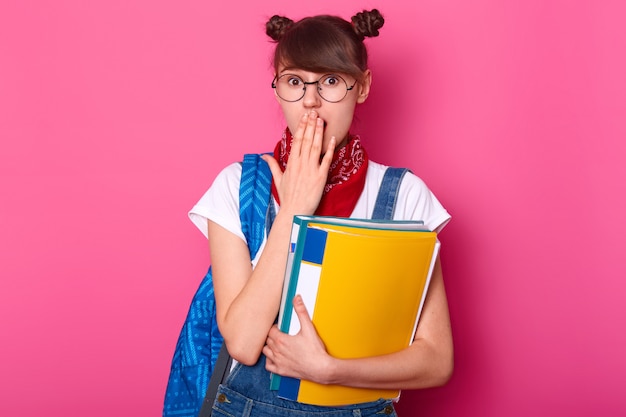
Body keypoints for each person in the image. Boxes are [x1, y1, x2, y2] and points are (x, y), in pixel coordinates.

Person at [188, 9, 453, 417]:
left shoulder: (404, 196)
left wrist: (330, 370)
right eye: (295, 82)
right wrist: (295, 206)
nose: (310, 101)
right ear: (277, 90)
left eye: (330, 81)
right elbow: (242, 340)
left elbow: (436, 360)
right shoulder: (238, 185)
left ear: (361, 86)